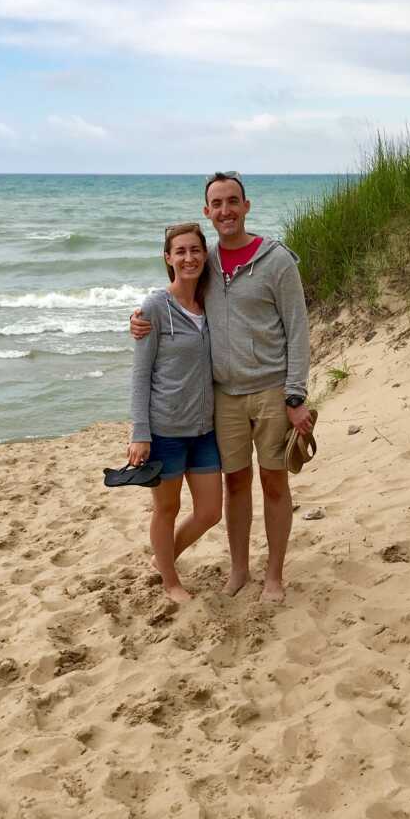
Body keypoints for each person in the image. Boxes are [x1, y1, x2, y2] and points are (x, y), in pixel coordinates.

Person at [132, 172, 312, 603]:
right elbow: (174, 299)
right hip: (223, 398)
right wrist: (140, 320)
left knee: (274, 484)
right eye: (217, 203)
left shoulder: (276, 260)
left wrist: (295, 395)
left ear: (247, 206)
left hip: (271, 390)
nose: (226, 210)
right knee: (234, 486)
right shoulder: (205, 262)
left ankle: (274, 576)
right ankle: (239, 570)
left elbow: (298, 329)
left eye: (233, 201)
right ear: (206, 211)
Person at [128, 222, 223, 603]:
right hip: (165, 430)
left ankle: (162, 559)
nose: (189, 258)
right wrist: (140, 432)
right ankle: (170, 581)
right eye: (180, 251)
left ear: (205, 254)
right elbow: (140, 374)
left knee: (210, 512)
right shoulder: (154, 307)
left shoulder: (213, 300)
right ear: (168, 258)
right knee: (166, 508)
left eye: (195, 250)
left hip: (205, 429)